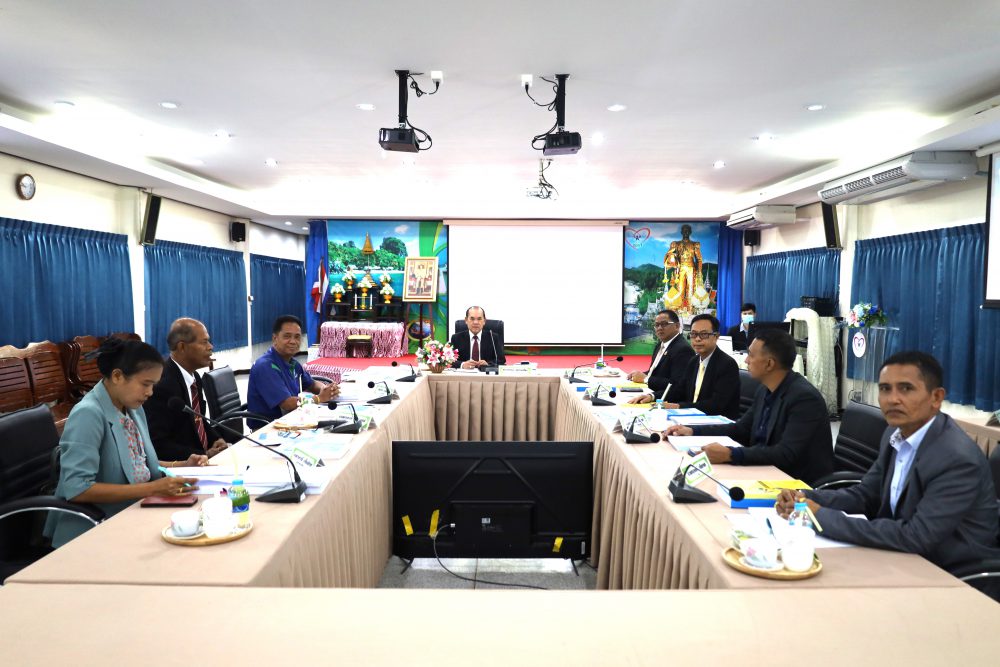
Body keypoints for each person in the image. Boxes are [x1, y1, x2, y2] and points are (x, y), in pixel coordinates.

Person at [776, 351, 1000, 586]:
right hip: (900, 557)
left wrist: (818, 516)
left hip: (953, 576)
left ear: (936, 397)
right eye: (885, 389)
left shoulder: (956, 458)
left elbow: (917, 536)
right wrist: (804, 498)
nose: (893, 399)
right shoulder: (895, 434)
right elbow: (864, 495)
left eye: (906, 389)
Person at [45, 338, 208, 548]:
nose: (150, 392)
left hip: (134, 513)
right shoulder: (88, 414)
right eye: (145, 384)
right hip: (92, 530)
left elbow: (135, 463)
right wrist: (151, 489)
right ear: (117, 376)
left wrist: (180, 465)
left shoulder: (132, 407)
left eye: (153, 385)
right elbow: (77, 488)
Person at [664, 329, 833, 485]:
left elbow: (786, 454)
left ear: (769, 364)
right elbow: (741, 429)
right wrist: (692, 430)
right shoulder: (765, 389)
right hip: (762, 469)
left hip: (796, 483)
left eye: (751, 355)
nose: (746, 360)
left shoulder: (804, 399)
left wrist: (730, 454)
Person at [144, 318, 228, 460]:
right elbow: (158, 444)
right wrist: (204, 455)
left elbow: (198, 419)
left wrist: (216, 439)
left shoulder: (195, 377)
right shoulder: (162, 385)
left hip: (202, 460)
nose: (210, 347)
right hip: (181, 466)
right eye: (204, 342)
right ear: (182, 347)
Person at [628, 314, 740, 419]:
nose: (697, 339)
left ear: (716, 336)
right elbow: (678, 390)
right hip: (690, 417)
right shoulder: (694, 361)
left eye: (704, 334)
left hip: (715, 422)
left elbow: (716, 405)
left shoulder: (727, 364)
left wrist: (678, 407)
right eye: (694, 334)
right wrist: (652, 396)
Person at [247, 315, 339, 428]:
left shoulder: (293, 363)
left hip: (291, 421)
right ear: (275, 338)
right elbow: (287, 404)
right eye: (287, 336)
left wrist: (326, 389)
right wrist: (319, 398)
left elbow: (312, 384)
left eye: (297, 337)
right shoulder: (265, 366)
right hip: (268, 427)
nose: (293, 341)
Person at [627, 309, 695, 397]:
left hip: (665, 400)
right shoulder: (660, 345)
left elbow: (677, 386)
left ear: (677, 326)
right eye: (656, 325)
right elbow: (654, 374)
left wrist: (646, 379)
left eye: (664, 324)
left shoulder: (683, 349)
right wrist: (639, 375)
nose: (659, 328)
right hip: (649, 392)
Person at [663, 224, 703, 311]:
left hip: (691, 268)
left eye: (687, 231)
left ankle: (690, 309)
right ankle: (680, 310)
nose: (686, 232)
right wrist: (671, 255)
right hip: (680, 269)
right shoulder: (676, 244)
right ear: (681, 232)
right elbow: (669, 255)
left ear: (690, 232)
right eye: (684, 231)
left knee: (690, 289)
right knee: (680, 289)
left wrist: (699, 271)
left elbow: (699, 259)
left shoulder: (694, 245)